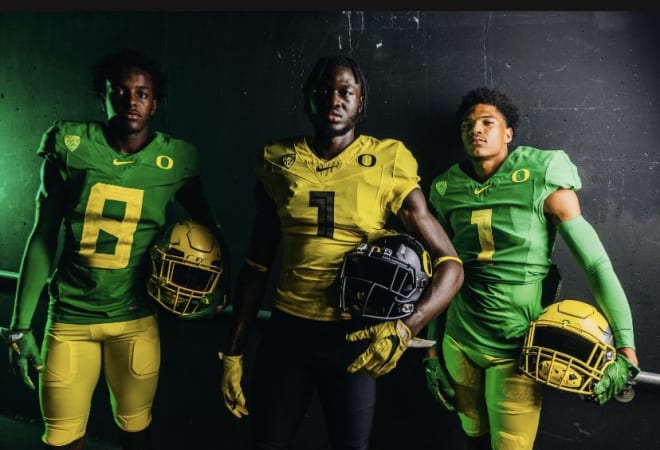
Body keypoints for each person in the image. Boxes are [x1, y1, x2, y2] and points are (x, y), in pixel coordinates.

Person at [220, 55, 463, 450]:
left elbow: (450, 264)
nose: (334, 99)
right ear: (307, 99)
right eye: (324, 90)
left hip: (355, 334)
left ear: (360, 102)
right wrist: (233, 352)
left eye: (345, 91)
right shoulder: (277, 160)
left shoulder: (388, 160)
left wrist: (408, 326)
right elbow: (256, 263)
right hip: (288, 332)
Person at [0, 48, 220, 450]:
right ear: (103, 96)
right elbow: (43, 234)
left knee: (137, 435)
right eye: (120, 91)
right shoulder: (70, 144)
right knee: (62, 439)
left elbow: (207, 225)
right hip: (69, 317)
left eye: (141, 93)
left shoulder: (177, 158)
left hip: (135, 321)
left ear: (155, 102)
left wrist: (214, 290)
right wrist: (19, 326)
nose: (130, 100)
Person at [423, 87, 640, 450]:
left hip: (519, 346)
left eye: (487, 122)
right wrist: (431, 351)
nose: (476, 129)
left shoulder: (540, 174)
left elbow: (596, 264)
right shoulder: (446, 187)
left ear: (508, 133)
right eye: (468, 124)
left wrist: (626, 346)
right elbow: (442, 270)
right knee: (471, 437)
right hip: (459, 338)